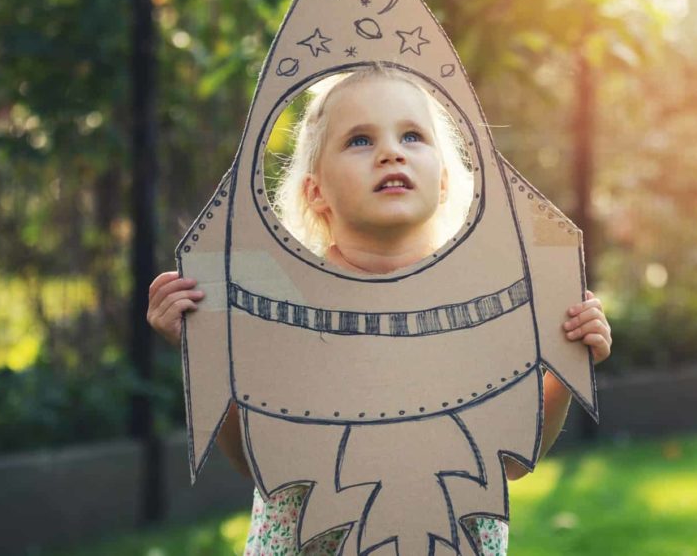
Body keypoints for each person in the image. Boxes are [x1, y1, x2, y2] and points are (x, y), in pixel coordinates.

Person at [147, 65, 612, 555]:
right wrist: (207, 356)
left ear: (447, 181)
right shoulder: (281, 303)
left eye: (412, 135)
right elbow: (259, 459)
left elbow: (511, 460)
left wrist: (564, 368)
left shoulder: (485, 306)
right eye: (359, 141)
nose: (391, 152)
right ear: (316, 192)